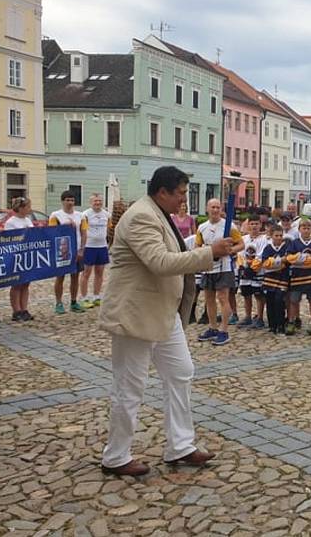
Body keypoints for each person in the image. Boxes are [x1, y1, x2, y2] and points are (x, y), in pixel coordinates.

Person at [99, 166, 235, 476]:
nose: (184, 200)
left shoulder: (159, 214)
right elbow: (159, 262)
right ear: (163, 192)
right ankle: (116, 456)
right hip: (135, 314)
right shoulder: (141, 216)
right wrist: (209, 252)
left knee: (181, 373)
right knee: (129, 386)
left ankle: (180, 445)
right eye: (181, 194)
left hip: (163, 312)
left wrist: (206, 250)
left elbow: (173, 251)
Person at [195, 199, 244, 346]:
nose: (215, 210)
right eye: (213, 207)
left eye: (218, 207)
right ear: (207, 209)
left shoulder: (229, 226)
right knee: (209, 298)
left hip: (224, 267)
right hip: (209, 266)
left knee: (223, 298)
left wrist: (231, 251)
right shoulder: (202, 227)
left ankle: (224, 330)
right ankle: (212, 327)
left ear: (221, 209)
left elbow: (241, 244)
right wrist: (204, 252)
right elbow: (197, 245)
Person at [49, 190, 88, 314]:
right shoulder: (55, 215)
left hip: (76, 250)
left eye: (72, 200)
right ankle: (59, 302)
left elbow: (84, 233)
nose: (70, 203)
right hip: (62, 251)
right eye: (67, 200)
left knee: (75, 277)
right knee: (60, 277)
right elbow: (52, 232)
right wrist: (64, 227)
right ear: (62, 201)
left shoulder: (80, 215)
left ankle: (73, 301)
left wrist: (82, 249)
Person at [285, 218, 311, 335]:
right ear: (299, 229)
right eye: (303, 228)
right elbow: (289, 258)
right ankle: (293, 321)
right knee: (294, 300)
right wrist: (302, 258)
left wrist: (299, 258)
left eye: (308, 228)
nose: (306, 230)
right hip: (297, 277)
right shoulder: (294, 242)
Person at [4, 197, 35, 322]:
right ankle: (16, 310)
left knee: (26, 283)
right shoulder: (11, 222)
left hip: (27, 254)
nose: (29, 209)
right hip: (16, 255)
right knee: (16, 284)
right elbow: (9, 239)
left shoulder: (27, 220)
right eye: (27, 207)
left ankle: (24, 308)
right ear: (21, 208)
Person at [236, 214, 267, 329]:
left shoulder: (263, 240)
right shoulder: (244, 239)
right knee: (246, 294)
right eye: (252, 224)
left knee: (258, 295)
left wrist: (253, 268)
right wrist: (242, 267)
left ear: (260, 225)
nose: (254, 226)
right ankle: (248, 316)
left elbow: (261, 255)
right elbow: (240, 254)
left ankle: (259, 317)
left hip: (257, 272)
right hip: (245, 272)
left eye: (256, 224)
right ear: (248, 225)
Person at [257, 224, 289, 334]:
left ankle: (281, 324)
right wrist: (280, 262)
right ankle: (272, 325)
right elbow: (265, 263)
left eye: (281, 235)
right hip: (269, 279)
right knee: (270, 302)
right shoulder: (268, 248)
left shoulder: (286, 248)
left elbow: (288, 261)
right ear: (271, 236)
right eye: (276, 235)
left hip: (282, 279)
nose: (279, 238)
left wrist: (274, 262)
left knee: (279, 301)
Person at [80, 194, 111, 308]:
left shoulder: (107, 214)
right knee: (86, 273)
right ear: (91, 202)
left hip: (102, 246)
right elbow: (82, 230)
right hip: (89, 246)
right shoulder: (85, 214)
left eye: (99, 201)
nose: (97, 203)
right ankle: (84, 297)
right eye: (95, 201)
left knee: (100, 272)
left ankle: (96, 296)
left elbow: (108, 229)